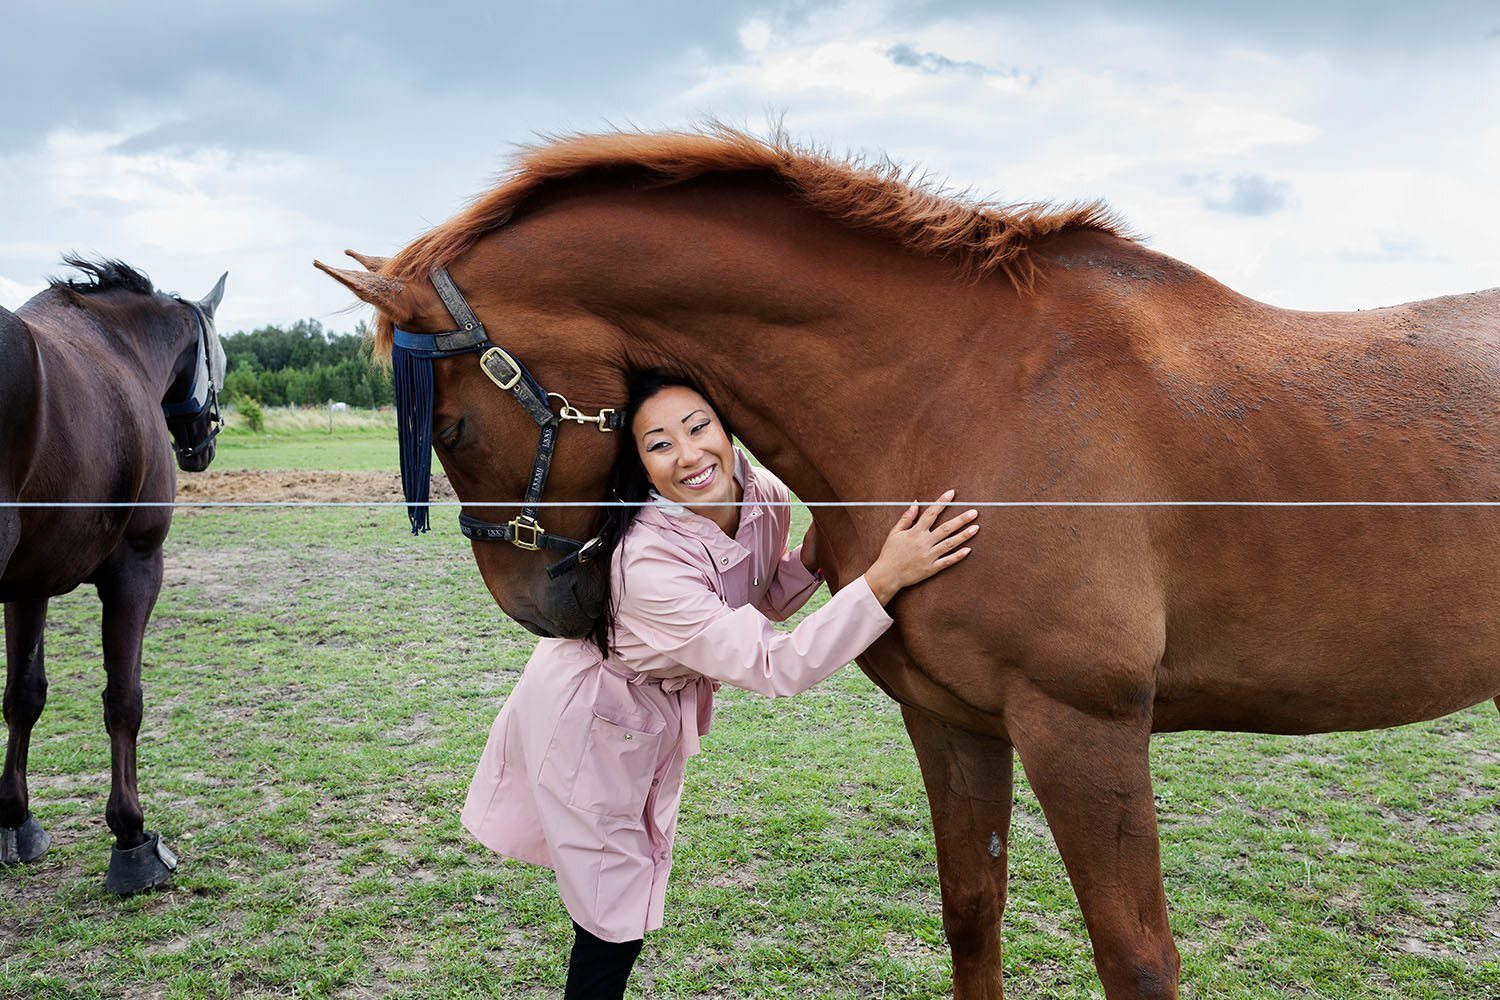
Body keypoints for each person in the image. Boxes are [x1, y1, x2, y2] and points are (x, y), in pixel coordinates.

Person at [461, 371, 978, 998]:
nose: (689, 455)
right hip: (589, 716)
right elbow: (775, 664)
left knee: (623, 888)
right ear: (642, 466)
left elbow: (763, 595)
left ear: (729, 427)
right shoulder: (646, 562)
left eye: (698, 426)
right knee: (612, 915)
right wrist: (885, 577)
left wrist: (827, 544)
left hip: (651, 713)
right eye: (658, 444)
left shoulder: (764, 496)